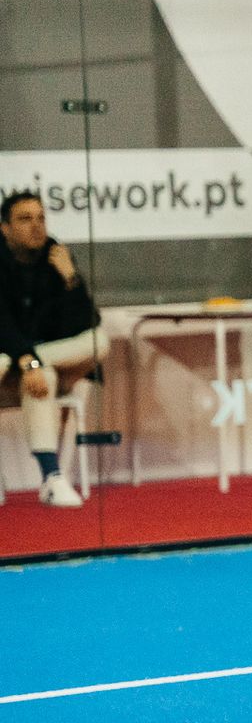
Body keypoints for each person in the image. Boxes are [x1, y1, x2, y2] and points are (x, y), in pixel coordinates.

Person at [0, 192, 104, 508]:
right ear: (4, 228)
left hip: (30, 369)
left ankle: (51, 478)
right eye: (25, 218)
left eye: (41, 218)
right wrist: (22, 355)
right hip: (3, 363)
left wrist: (70, 279)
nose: (37, 226)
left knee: (100, 341)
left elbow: (83, 324)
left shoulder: (54, 259)